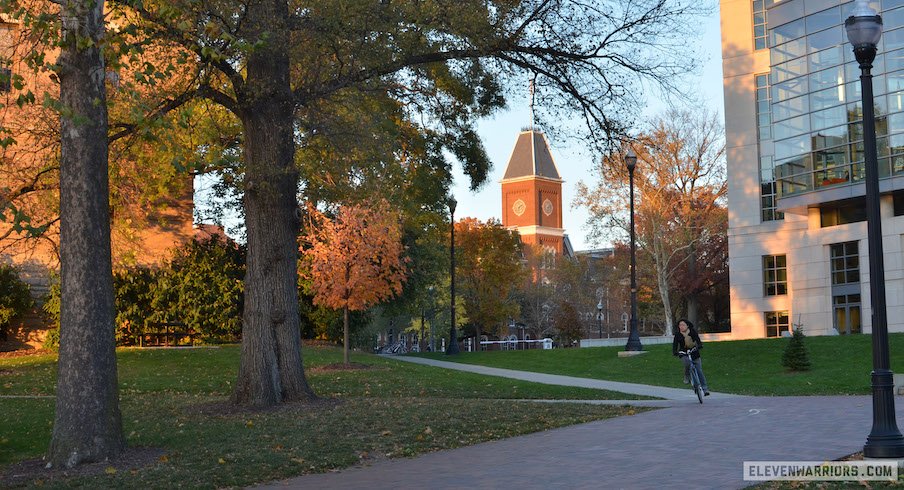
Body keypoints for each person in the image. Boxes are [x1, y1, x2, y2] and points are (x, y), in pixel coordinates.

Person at [672, 318, 709, 396]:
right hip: (684, 353)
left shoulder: (692, 332)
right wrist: (675, 352)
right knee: (687, 363)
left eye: (683, 325)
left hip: (694, 351)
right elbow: (675, 345)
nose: (681, 327)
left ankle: (705, 389)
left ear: (687, 325)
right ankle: (687, 375)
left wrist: (699, 345)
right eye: (680, 325)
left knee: (699, 371)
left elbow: (697, 340)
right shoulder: (677, 335)